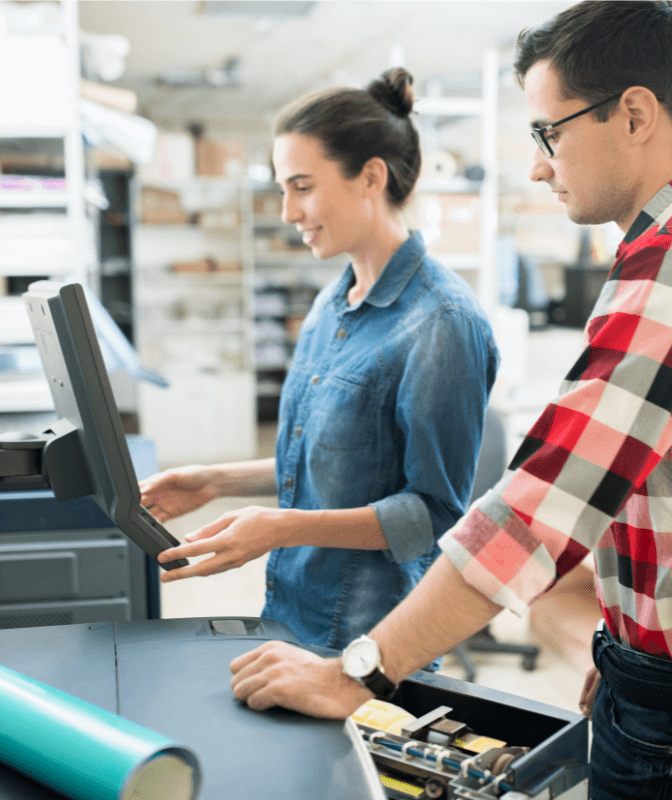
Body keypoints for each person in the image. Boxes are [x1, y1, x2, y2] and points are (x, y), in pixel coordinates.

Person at [227, 3, 672, 799]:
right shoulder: (336, 303)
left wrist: (360, 670)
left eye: (549, 133)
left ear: (634, 114)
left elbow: (531, 515)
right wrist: (624, 646)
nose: (539, 165)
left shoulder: (658, 280)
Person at [140, 67, 499, 653]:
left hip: (370, 641)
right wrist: (216, 480)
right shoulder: (333, 302)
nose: (287, 211)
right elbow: (332, 457)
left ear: (370, 178)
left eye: (302, 187)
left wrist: (280, 526)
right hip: (294, 609)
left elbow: (430, 514)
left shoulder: (442, 322)